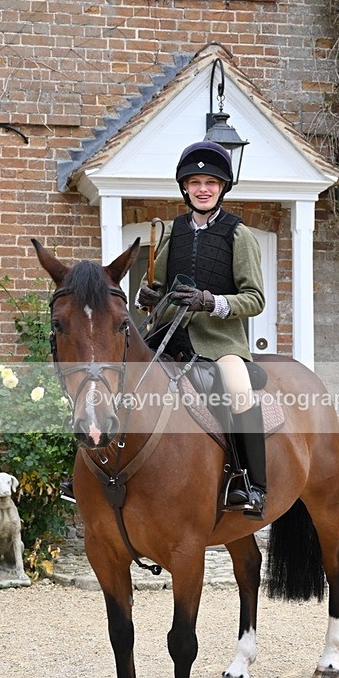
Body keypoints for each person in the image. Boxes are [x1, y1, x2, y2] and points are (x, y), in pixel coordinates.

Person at [135, 141, 267, 519]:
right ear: (185, 188)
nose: (203, 188)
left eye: (211, 182)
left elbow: (255, 299)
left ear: (222, 187)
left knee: (239, 389)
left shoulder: (239, 235)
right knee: (119, 374)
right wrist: (147, 296)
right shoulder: (172, 231)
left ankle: (251, 484)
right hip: (168, 334)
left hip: (220, 341)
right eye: (195, 182)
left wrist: (212, 302)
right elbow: (156, 289)